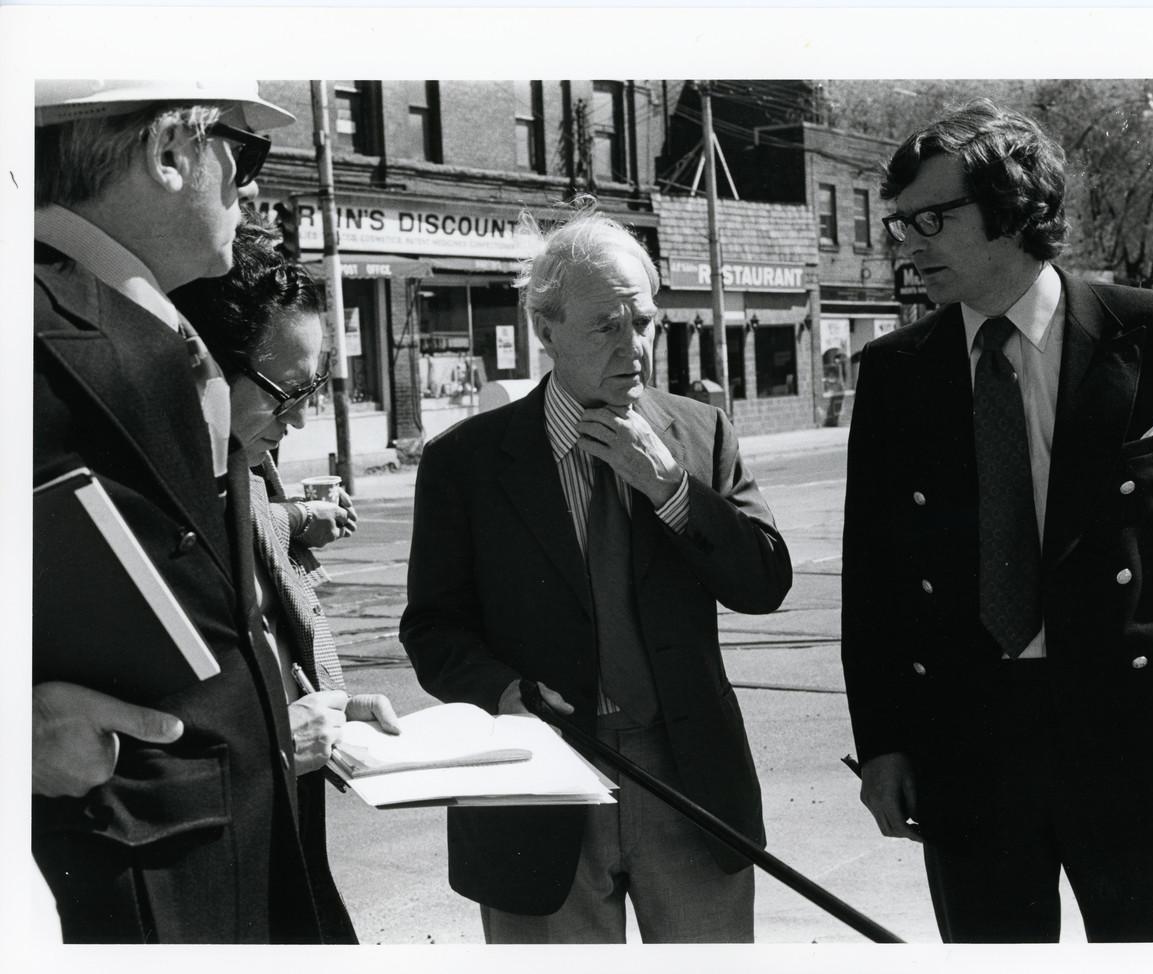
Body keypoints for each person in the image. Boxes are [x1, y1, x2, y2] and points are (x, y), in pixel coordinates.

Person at [399, 201, 792, 943]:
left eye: (643, 322)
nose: (634, 347)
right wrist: (505, 692)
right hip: (539, 778)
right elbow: (433, 627)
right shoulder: (467, 463)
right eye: (607, 327)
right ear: (545, 330)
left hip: (686, 776)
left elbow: (764, 581)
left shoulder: (699, 433)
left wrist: (674, 491)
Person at [840, 100, 1153, 943]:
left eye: (933, 219)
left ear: (1017, 210)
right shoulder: (895, 372)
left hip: (1137, 741)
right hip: (968, 748)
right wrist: (881, 746)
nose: (906, 244)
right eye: (899, 224)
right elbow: (872, 579)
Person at [32, 80, 330, 942]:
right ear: (169, 152)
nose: (248, 186)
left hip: (227, 863)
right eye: (242, 153)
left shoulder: (159, 326)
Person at [172, 218, 403, 943]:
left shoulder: (237, 470)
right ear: (208, 366)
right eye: (286, 392)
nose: (301, 419)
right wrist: (273, 742)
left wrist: (323, 699)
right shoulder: (162, 504)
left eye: (318, 388)